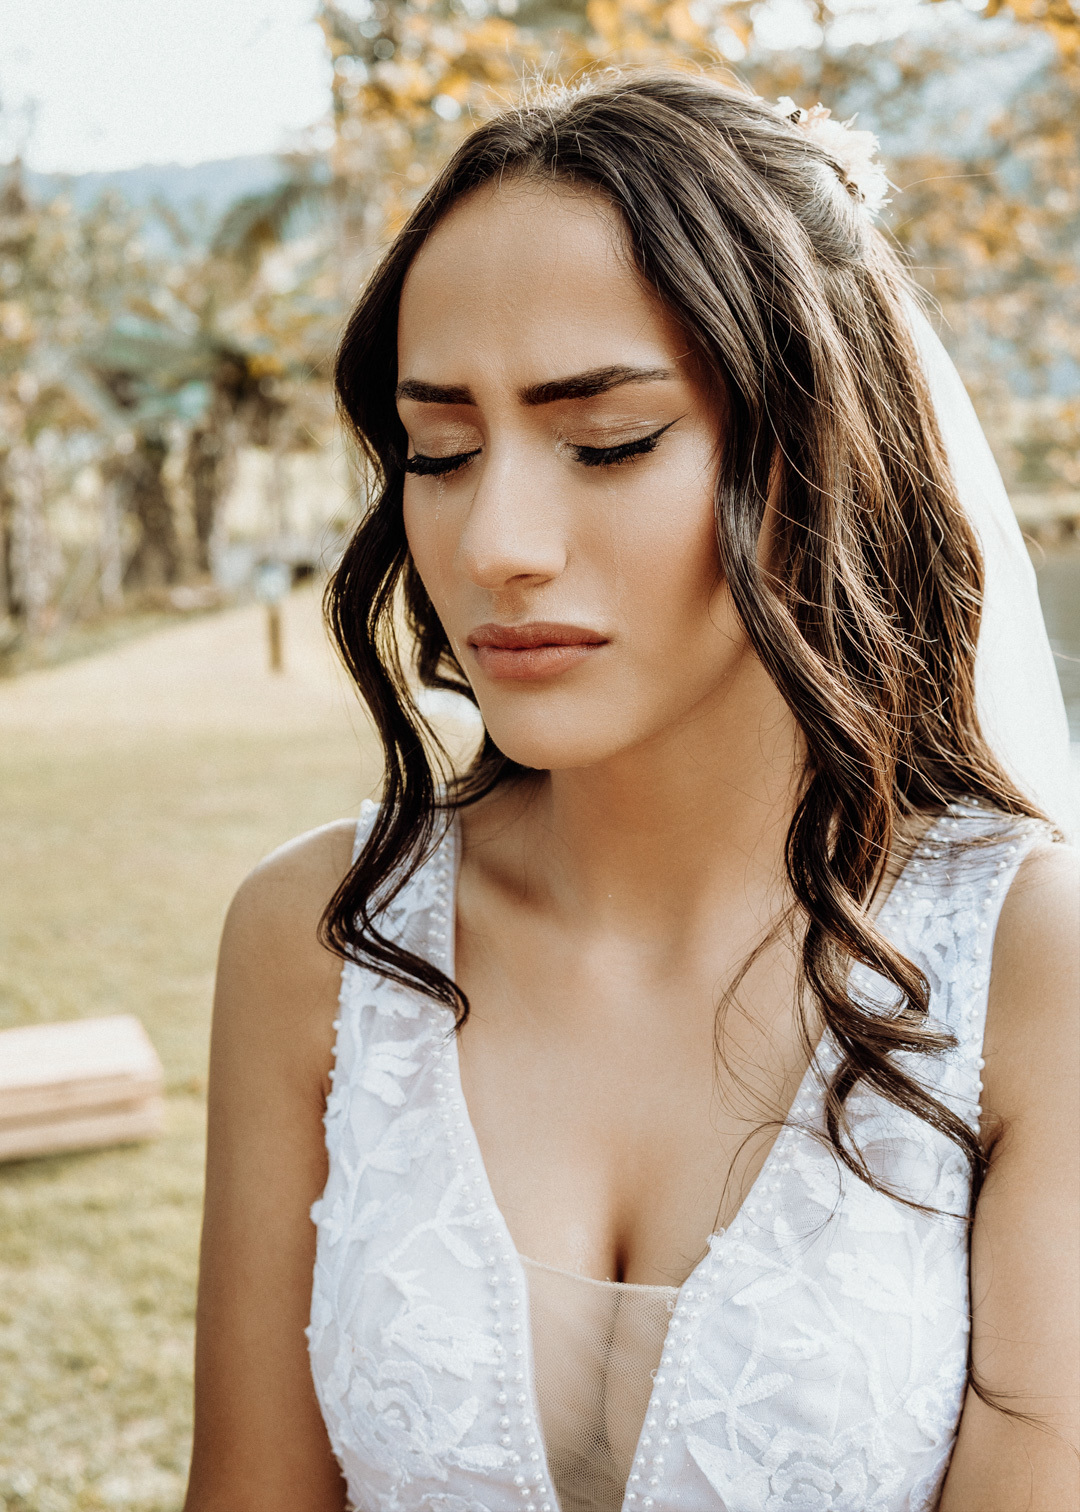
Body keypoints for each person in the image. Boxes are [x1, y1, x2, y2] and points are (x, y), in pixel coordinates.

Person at [184, 72, 1079, 1512]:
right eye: (440, 452)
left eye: (607, 441)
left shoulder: (1029, 963)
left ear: (819, 449)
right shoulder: (321, 938)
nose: (497, 543)